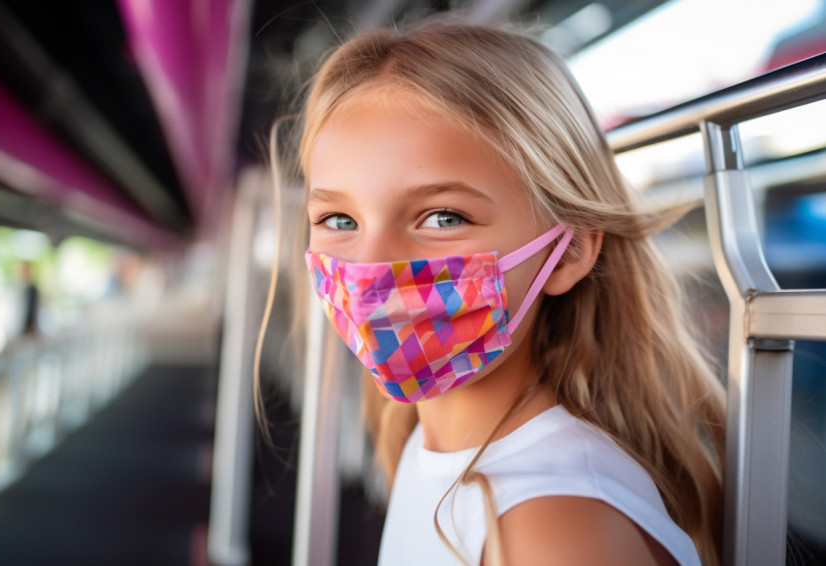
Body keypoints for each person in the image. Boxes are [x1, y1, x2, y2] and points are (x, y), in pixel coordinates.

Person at [268, 17, 725, 566]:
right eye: (339, 220)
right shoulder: (433, 445)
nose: (369, 268)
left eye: (442, 217)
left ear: (571, 249)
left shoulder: (555, 532)